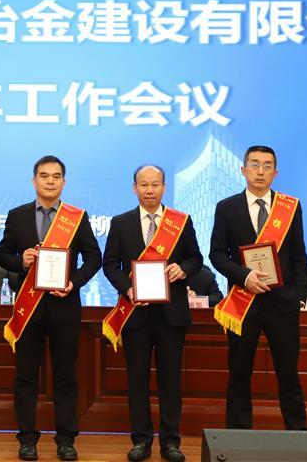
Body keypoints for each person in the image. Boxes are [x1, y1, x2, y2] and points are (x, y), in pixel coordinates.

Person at [0, 155, 102, 462]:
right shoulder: (17, 216)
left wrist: (74, 282)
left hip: (64, 306)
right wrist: (21, 261)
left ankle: (66, 439)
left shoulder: (76, 217)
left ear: (63, 182)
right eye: (44, 176)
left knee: (66, 376)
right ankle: (27, 439)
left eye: (56, 176)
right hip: (28, 309)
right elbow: (2, 255)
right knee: (26, 376)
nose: (50, 181)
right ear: (34, 181)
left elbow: (94, 258)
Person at [102, 165, 202, 462]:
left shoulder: (180, 222)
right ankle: (141, 441)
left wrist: (183, 269)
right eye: (143, 185)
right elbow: (110, 265)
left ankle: (171, 442)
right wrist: (127, 289)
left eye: (155, 184)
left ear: (164, 187)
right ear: (134, 188)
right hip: (136, 313)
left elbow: (196, 258)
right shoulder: (121, 223)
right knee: (137, 380)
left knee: (170, 380)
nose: (149, 190)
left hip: (172, 314)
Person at [209, 145, 307, 431]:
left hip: (283, 304)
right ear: (243, 170)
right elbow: (217, 254)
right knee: (239, 375)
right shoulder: (226, 207)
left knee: (288, 375)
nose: (260, 171)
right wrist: (244, 277)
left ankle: (298, 435)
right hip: (243, 302)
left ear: (275, 173)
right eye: (254, 165)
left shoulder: (290, 207)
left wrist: (298, 296)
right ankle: (238, 436)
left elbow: (299, 256)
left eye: (267, 166)